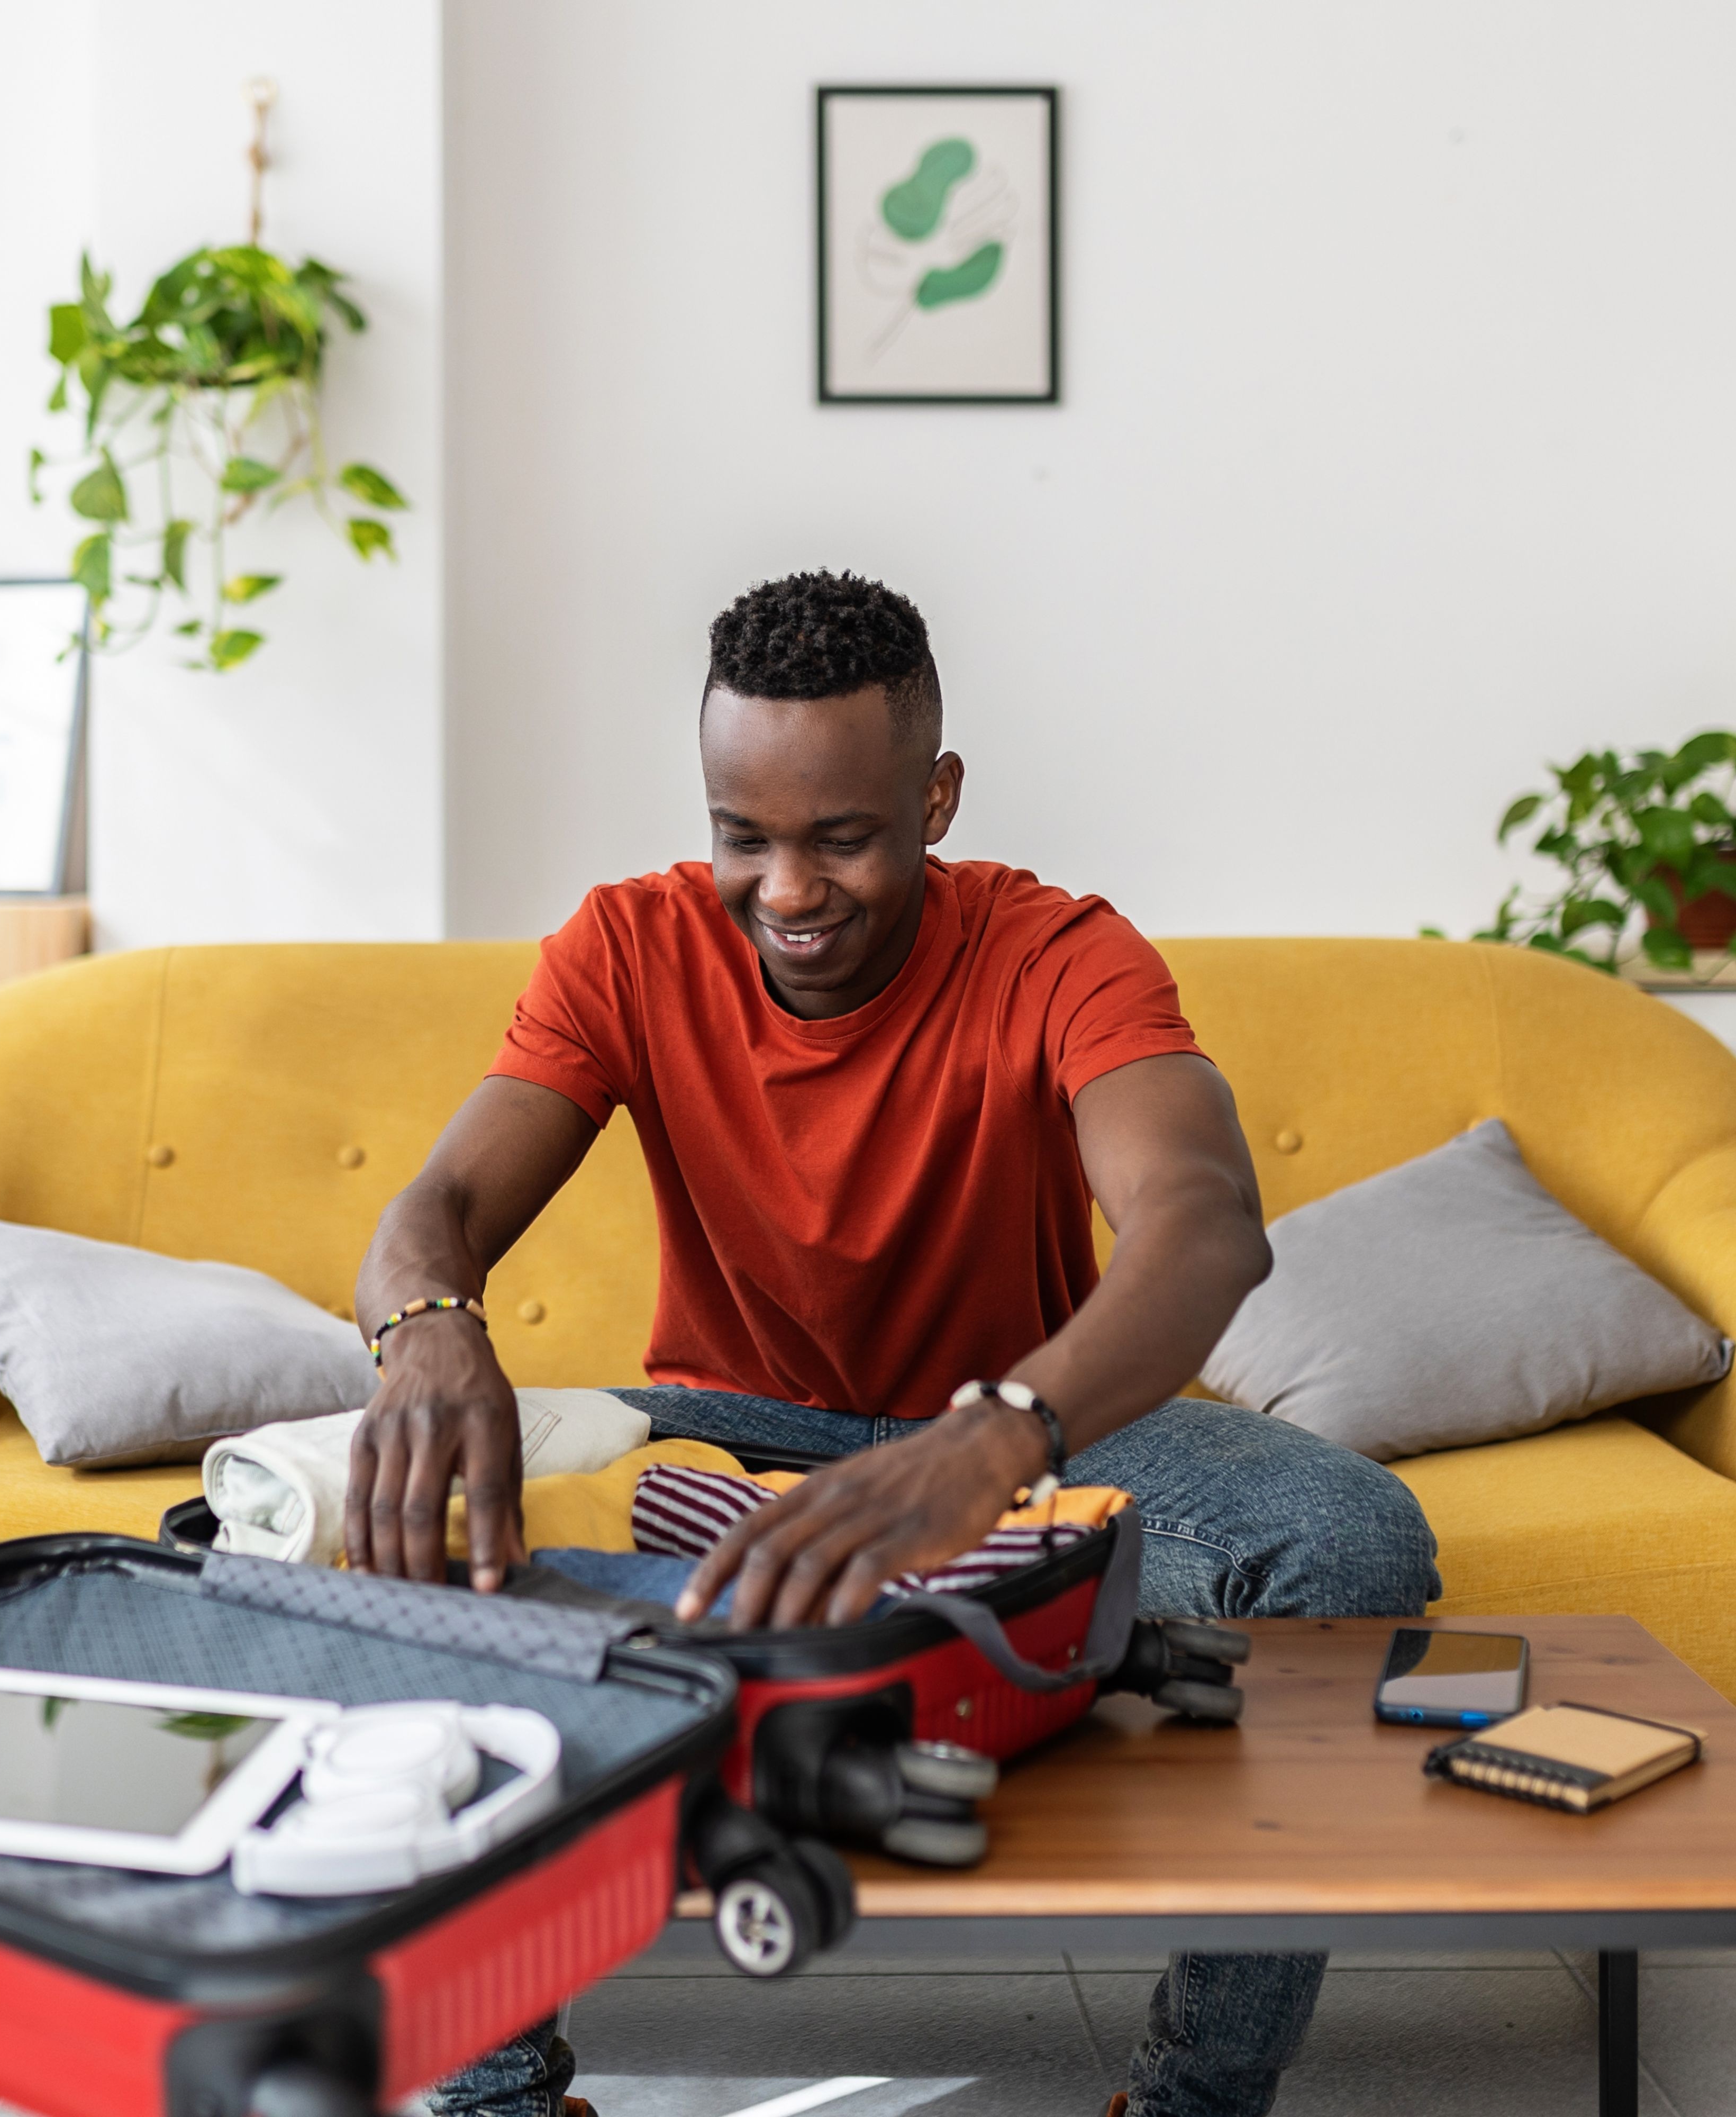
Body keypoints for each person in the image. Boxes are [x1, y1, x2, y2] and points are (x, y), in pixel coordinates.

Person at [348, 572, 1439, 2117]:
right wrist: (427, 1326)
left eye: (843, 837)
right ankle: (499, 2104)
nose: (786, 889)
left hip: (1030, 1439)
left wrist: (994, 1439)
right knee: (403, 1520)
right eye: (744, 836)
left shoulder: (1061, 951)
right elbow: (442, 1208)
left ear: (936, 800)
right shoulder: (626, 945)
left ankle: (1195, 2100)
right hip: (728, 1434)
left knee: (1351, 1537)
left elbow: (1203, 1222)